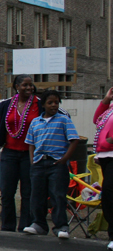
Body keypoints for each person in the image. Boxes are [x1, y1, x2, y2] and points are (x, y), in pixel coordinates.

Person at [0, 75, 43, 232]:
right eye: (25, 85)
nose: (29, 88)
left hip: (29, 155)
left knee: (28, 192)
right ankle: (7, 227)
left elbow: (60, 114)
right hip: (9, 154)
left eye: (31, 85)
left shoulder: (39, 103)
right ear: (16, 86)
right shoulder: (8, 104)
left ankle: (25, 226)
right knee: (7, 191)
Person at [23, 90, 81, 238]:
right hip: (39, 163)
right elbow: (31, 143)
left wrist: (64, 159)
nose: (54, 105)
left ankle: (61, 227)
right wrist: (32, 160)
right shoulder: (35, 122)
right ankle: (39, 224)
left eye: (56, 102)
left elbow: (74, 140)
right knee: (37, 196)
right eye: (50, 102)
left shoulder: (64, 120)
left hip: (56, 163)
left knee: (57, 195)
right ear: (43, 105)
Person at [92, 86, 113, 251]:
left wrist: (109, 140)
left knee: (109, 191)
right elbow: (96, 120)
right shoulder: (110, 108)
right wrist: (106, 100)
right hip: (105, 156)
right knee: (108, 195)